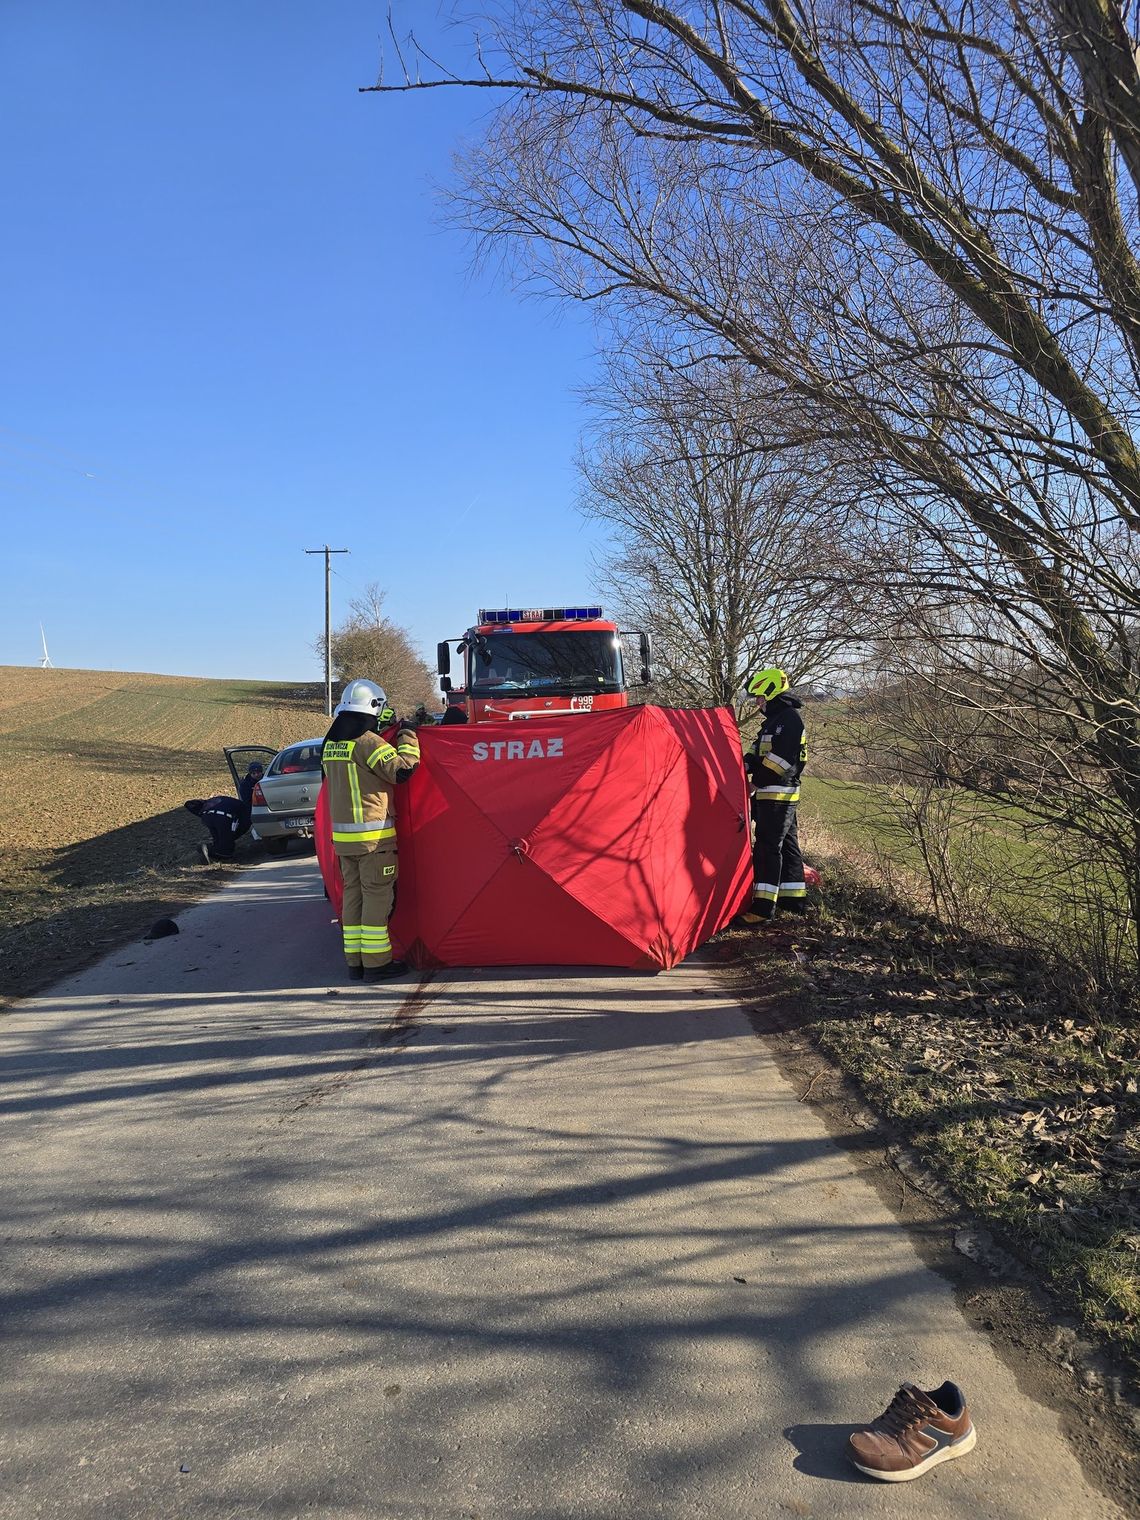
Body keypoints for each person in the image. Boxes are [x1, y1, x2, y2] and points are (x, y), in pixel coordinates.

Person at [322, 678, 420, 982]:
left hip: (344, 841)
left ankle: (355, 962)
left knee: (352, 898)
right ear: (372, 709)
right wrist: (408, 736)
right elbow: (402, 769)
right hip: (374, 840)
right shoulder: (368, 743)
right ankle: (377, 963)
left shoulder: (331, 745)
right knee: (377, 899)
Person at [741, 666, 808, 924]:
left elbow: (780, 761)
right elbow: (755, 753)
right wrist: (739, 765)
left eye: (759, 698)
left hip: (778, 794)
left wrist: (753, 783)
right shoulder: (774, 722)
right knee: (789, 846)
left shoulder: (789, 720)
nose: (757, 703)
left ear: (770, 693)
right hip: (775, 793)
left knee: (768, 848)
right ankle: (793, 900)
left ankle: (762, 909)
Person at [184, 796, 246, 863]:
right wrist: (233, 835)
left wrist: (201, 813)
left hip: (207, 817)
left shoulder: (211, 800)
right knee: (227, 850)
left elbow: (188, 804)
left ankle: (210, 852)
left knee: (218, 840)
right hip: (224, 817)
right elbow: (244, 824)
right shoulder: (243, 806)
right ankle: (210, 850)